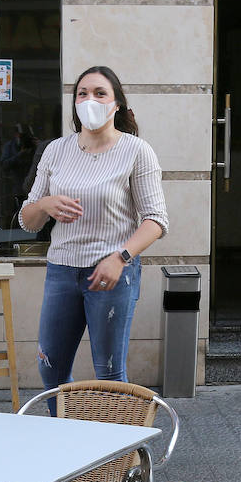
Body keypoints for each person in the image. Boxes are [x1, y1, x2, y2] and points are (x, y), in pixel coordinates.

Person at [19, 66, 168, 393]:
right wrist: (45, 205)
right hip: (61, 271)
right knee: (51, 370)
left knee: (110, 376)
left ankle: (116, 445)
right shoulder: (55, 150)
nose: (90, 100)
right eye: (82, 94)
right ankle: (68, 438)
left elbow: (156, 220)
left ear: (116, 104)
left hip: (112, 274)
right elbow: (26, 219)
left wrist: (121, 257)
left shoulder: (135, 150)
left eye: (100, 93)